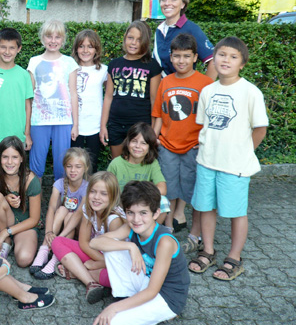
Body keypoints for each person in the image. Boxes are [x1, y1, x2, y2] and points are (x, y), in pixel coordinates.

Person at [188, 37, 268, 281]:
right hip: (207, 162)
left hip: (235, 166)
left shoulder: (250, 92)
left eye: (233, 57)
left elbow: (260, 128)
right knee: (205, 207)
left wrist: (245, 152)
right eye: (222, 55)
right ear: (214, 58)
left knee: (236, 212)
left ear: (242, 63)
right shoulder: (208, 91)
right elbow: (205, 125)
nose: (226, 60)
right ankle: (208, 251)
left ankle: (234, 257)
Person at [90, 180, 190, 325]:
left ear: (156, 213)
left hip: (167, 297)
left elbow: (152, 291)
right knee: (112, 248)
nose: (136, 219)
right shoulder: (131, 227)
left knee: (111, 321)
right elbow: (95, 243)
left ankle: (160, 312)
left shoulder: (164, 242)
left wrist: (113, 308)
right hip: (147, 281)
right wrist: (131, 246)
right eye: (130, 213)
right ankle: (127, 297)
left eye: (143, 213)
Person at [152, 33, 213, 251]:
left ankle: (195, 235)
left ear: (195, 57)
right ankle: (168, 227)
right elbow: (159, 114)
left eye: (187, 56)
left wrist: (205, 141)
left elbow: (211, 119)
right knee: (168, 189)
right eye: (177, 56)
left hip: (193, 148)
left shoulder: (206, 84)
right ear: (171, 57)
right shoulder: (166, 81)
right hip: (167, 146)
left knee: (194, 192)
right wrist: (154, 138)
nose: (181, 61)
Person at [51, 171, 125, 304]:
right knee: (57, 241)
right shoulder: (88, 209)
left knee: (115, 278)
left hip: (116, 262)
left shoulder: (114, 219)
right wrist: (97, 263)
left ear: (113, 196)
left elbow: (118, 258)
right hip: (97, 254)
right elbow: (84, 243)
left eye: (103, 194)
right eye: (93, 192)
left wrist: (97, 264)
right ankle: (91, 282)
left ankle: (77, 272)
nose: (96, 197)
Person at [0, 27, 34, 190]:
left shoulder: (24, 75)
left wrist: (27, 134)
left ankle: (14, 201)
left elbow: (28, 106)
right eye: (3, 47)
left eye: (12, 47)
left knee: (15, 172)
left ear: (19, 49)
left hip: (17, 135)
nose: (7, 51)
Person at [101, 21, 162, 158]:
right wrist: (103, 126)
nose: (133, 42)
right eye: (130, 38)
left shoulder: (152, 66)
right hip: (116, 124)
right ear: (125, 38)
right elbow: (108, 97)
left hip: (140, 125)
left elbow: (155, 101)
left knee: (138, 165)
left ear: (145, 42)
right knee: (118, 165)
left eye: (139, 39)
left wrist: (153, 131)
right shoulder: (114, 64)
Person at [27, 19, 79, 180]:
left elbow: (73, 94)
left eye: (57, 37)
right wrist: (27, 126)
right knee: (36, 165)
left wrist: (75, 124)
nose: (53, 40)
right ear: (43, 37)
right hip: (39, 120)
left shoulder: (69, 62)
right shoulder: (34, 61)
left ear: (63, 39)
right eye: (49, 36)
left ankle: (60, 197)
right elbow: (30, 96)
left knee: (62, 165)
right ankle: (35, 195)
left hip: (63, 120)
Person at [31, 147, 90, 279]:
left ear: (85, 168)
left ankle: (57, 257)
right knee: (62, 209)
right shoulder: (59, 184)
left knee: (70, 215)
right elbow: (51, 209)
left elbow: (78, 214)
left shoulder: (87, 187)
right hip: (62, 226)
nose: (73, 170)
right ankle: (44, 249)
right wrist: (48, 232)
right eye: (69, 166)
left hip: (78, 227)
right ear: (64, 167)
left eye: (78, 166)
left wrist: (59, 238)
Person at [0, 136, 41, 267]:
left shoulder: (31, 180)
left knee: (24, 259)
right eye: (5, 157)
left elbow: (34, 219)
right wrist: (3, 199)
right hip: (4, 222)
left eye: (14, 157)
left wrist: (6, 232)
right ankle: (7, 242)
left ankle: (5, 236)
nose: (9, 162)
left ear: (21, 158)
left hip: (25, 225)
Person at [107, 122, 170, 223]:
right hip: (121, 205)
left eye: (143, 143)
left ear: (150, 146)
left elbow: (162, 188)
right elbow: (107, 189)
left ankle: (150, 231)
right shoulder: (116, 164)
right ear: (127, 142)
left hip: (142, 204)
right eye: (134, 141)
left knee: (164, 202)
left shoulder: (152, 163)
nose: (137, 146)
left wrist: (140, 195)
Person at [153, 0, 216, 79]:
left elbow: (213, 60)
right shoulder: (159, 30)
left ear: (183, 4)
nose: (167, 3)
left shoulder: (191, 29)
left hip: (182, 87)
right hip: (160, 87)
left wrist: (205, 87)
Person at [70, 29, 108, 171]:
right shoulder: (70, 69)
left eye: (90, 46)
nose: (85, 50)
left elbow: (110, 96)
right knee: (74, 164)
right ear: (76, 49)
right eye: (81, 46)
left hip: (95, 125)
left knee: (92, 165)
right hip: (74, 125)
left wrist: (104, 125)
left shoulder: (104, 70)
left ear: (96, 49)